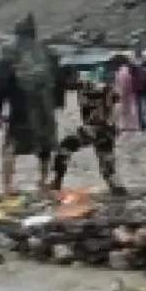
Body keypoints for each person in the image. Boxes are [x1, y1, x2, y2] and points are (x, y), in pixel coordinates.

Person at [0, 14, 62, 194]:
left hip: (21, 103)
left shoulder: (9, 50)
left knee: (11, 144)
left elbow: (2, 81)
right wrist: (58, 102)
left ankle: (8, 185)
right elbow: (58, 77)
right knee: (45, 144)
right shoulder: (47, 50)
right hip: (44, 104)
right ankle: (43, 181)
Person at [51, 57, 127, 195]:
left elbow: (117, 100)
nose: (67, 86)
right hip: (99, 130)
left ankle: (56, 184)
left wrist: (111, 120)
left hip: (100, 128)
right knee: (107, 168)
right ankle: (119, 192)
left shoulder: (92, 86)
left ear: (72, 77)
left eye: (66, 82)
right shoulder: (79, 89)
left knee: (64, 148)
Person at [113, 57, 140, 132]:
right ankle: (129, 126)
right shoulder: (126, 70)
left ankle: (127, 126)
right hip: (129, 94)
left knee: (125, 111)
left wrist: (120, 94)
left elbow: (124, 84)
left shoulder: (122, 72)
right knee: (129, 110)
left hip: (125, 95)